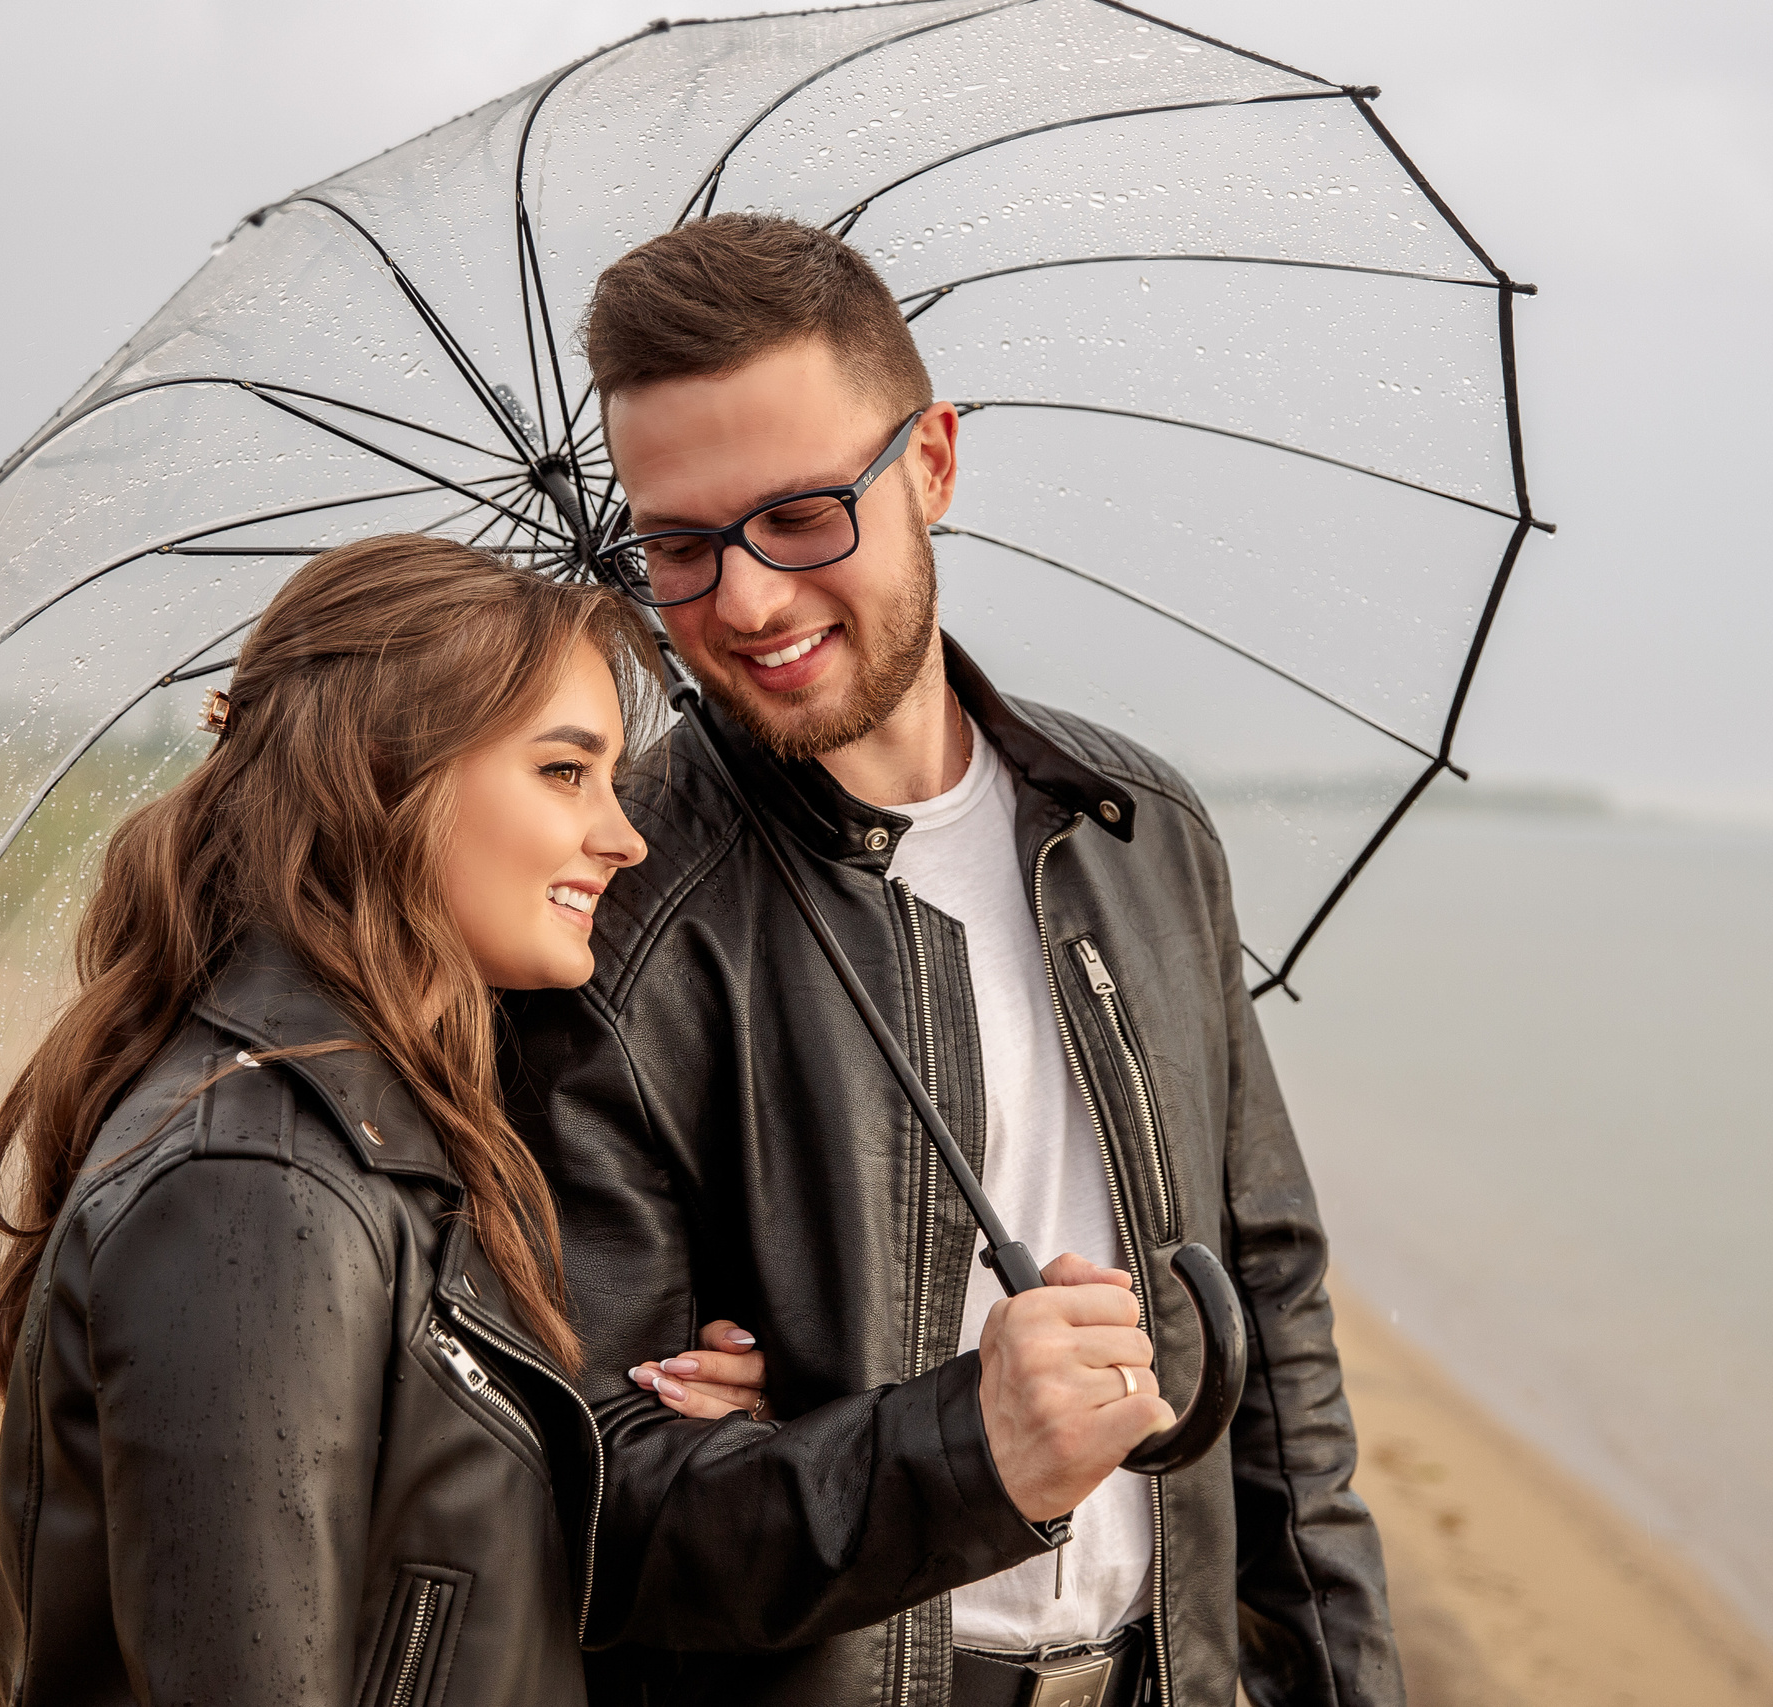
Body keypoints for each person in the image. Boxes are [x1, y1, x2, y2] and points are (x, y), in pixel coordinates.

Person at [507, 214, 1402, 1706]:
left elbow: (1273, 1323)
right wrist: (962, 1446)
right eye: (679, 544)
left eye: (800, 516)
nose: (745, 600)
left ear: (930, 462)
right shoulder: (613, 919)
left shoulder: (1139, 829)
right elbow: (606, 1513)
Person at [0, 535, 757, 1704]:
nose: (624, 835)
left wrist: (695, 1410)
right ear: (389, 770)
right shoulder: (255, 1181)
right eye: (563, 771)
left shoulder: (385, 1133)